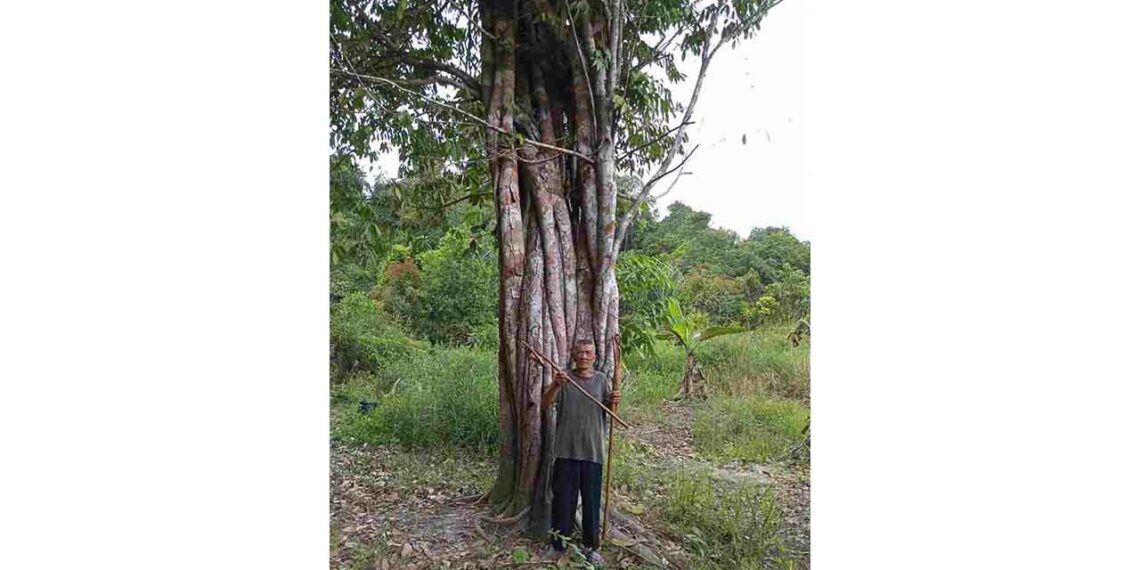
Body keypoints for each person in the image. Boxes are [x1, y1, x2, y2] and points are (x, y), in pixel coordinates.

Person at [541, 339, 621, 565]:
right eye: (580, 352)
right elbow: (545, 404)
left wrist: (615, 400)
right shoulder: (564, 379)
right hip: (565, 452)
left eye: (588, 352)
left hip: (593, 453)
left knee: (591, 503)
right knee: (563, 501)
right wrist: (555, 385)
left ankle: (591, 547)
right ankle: (558, 545)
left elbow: (611, 413)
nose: (584, 356)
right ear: (573, 356)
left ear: (594, 357)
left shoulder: (602, 381)